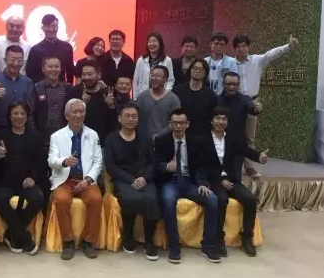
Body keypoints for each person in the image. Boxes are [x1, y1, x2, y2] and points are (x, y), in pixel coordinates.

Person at [154, 108, 221, 264]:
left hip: (191, 182)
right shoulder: (162, 140)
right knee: (168, 201)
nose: (178, 126)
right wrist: (166, 167)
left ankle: (208, 246)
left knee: (212, 199)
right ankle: (174, 246)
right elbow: (156, 164)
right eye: (175, 123)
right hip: (171, 182)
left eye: (181, 123)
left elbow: (201, 167)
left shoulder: (196, 142)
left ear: (187, 124)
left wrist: (203, 184)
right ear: (170, 124)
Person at [203, 107, 269, 258]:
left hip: (232, 180)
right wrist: (220, 179)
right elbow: (202, 165)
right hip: (214, 180)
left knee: (250, 199)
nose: (220, 122)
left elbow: (246, 150)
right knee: (221, 199)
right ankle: (218, 239)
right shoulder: (203, 139)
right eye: (217, 118)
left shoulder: (232, 139)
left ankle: (246, 238)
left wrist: (259, 157)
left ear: (228, 122)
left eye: (224, 119)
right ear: (211, 121)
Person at [232, 34, 298, 177]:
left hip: (251, 103)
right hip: (234, 103)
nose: (242, 49)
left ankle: (249, 167)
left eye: (244, 46)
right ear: (235, 48)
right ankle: (229, 167)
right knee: (232, 136)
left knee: (249, 138)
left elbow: (271, 54)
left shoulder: (257, 60)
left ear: (248, 47)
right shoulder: (230, 63)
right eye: (239, 46)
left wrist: (288, 47)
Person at [48, 99, 103, 261]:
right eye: (74, 112)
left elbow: (98, 161)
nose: (78, 115)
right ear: (66, 116)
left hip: (86, 179)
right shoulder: (56, 136)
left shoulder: (93, 135)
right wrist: (64, 161)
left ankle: (88, 241)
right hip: (64, 179)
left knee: (96, 199)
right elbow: (51, 160)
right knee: (61, 200)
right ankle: (68, 242)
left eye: (81, 111)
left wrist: (88, 180)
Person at [104, 102, 160, 261]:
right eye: (127, 116)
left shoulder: (145, 137)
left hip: (144, 178)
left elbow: (153, 162)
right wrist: (131, 180)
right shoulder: (111, 139)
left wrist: (145, 178)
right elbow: (111, 167)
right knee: (132, 198)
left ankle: (149, 240)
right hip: (123, 179)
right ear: (119, 118)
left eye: (134, 116)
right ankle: (128, 236)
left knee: (152, 198)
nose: (131, 119)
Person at [0, 102, 44, 255]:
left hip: (26, 180)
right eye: (15, 113)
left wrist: (33, 177)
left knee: (38, 197)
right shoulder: (1, 135)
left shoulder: (35, 136)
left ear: (27, 116)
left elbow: (40, 161)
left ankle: (12, 233)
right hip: (5, 180)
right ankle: (23, 236)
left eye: (22, 113)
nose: (19, 116)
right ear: (9, 116)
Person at [0, 45, 33, 132]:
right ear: (5, 60)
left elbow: (31, 109)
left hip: (22, 130)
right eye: (12, 60)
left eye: (19, 60)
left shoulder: (27, 82)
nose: (16, 63)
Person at [69, 60, 115, 146]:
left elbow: (114, 123)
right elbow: (68, 119)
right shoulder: (75, 92)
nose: (86, 77)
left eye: (90, 74)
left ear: (99, 75)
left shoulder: (107, 92)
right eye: (84, 74)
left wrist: (110, 106)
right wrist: (83, 105)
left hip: (102, 143)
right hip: (80, 141)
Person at [28, 56, 71, 148]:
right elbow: (29, 113)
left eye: (57, 66)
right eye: (50, 66)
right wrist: (34, 132)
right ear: (43, 69)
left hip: (64, 137)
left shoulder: (67, 88)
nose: (54, 69)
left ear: (60, 68)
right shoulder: (36, 88)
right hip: (42, 139)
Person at [25, 14, 75, 84]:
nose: (51, 29)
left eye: (54, 26)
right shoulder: (35, 49)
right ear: (43, 28)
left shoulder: (67, 47)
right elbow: (31, 74)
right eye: (48, 26)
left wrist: (70, 88)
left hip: (62, 88)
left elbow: (70, 72)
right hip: (41, 88)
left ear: (58, 27)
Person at [173, 58, 216, 138]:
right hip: (180, 133)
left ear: (205, 73)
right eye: (195, 68)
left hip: (201, 135)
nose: (197, 71)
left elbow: (212, 117)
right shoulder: (177, 90)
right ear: (190, 70)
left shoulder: (211, 95)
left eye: (201, 69)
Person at [135, 66, 180, 140]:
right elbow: (137, 120)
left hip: (165, 140)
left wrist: (158, 136)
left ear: (165, 79)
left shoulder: (173, 99)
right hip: (143, 140)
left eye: (157, 76)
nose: (153, 78)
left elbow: (175, 122)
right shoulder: (141, 97)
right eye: (152, 75)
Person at [216, 72, 260, 144]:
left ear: (239, 84)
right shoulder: (216, 100)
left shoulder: (245, 99)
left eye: (235, 84)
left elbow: (254, 111)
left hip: (238, 142)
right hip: (219, 141)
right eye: (228, 84)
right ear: (223, 84)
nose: (231, 87)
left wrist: (258, 108)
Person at [133, 32, 174, 98]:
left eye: (154, 41)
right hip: (143, 96)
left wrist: (164, 95)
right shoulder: (141, 60)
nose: (151, 44)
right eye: (149, 42)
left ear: (160, 44)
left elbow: (170, 80)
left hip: (160, 96)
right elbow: (136, 81)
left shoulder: (167, 60)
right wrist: (135, 98)